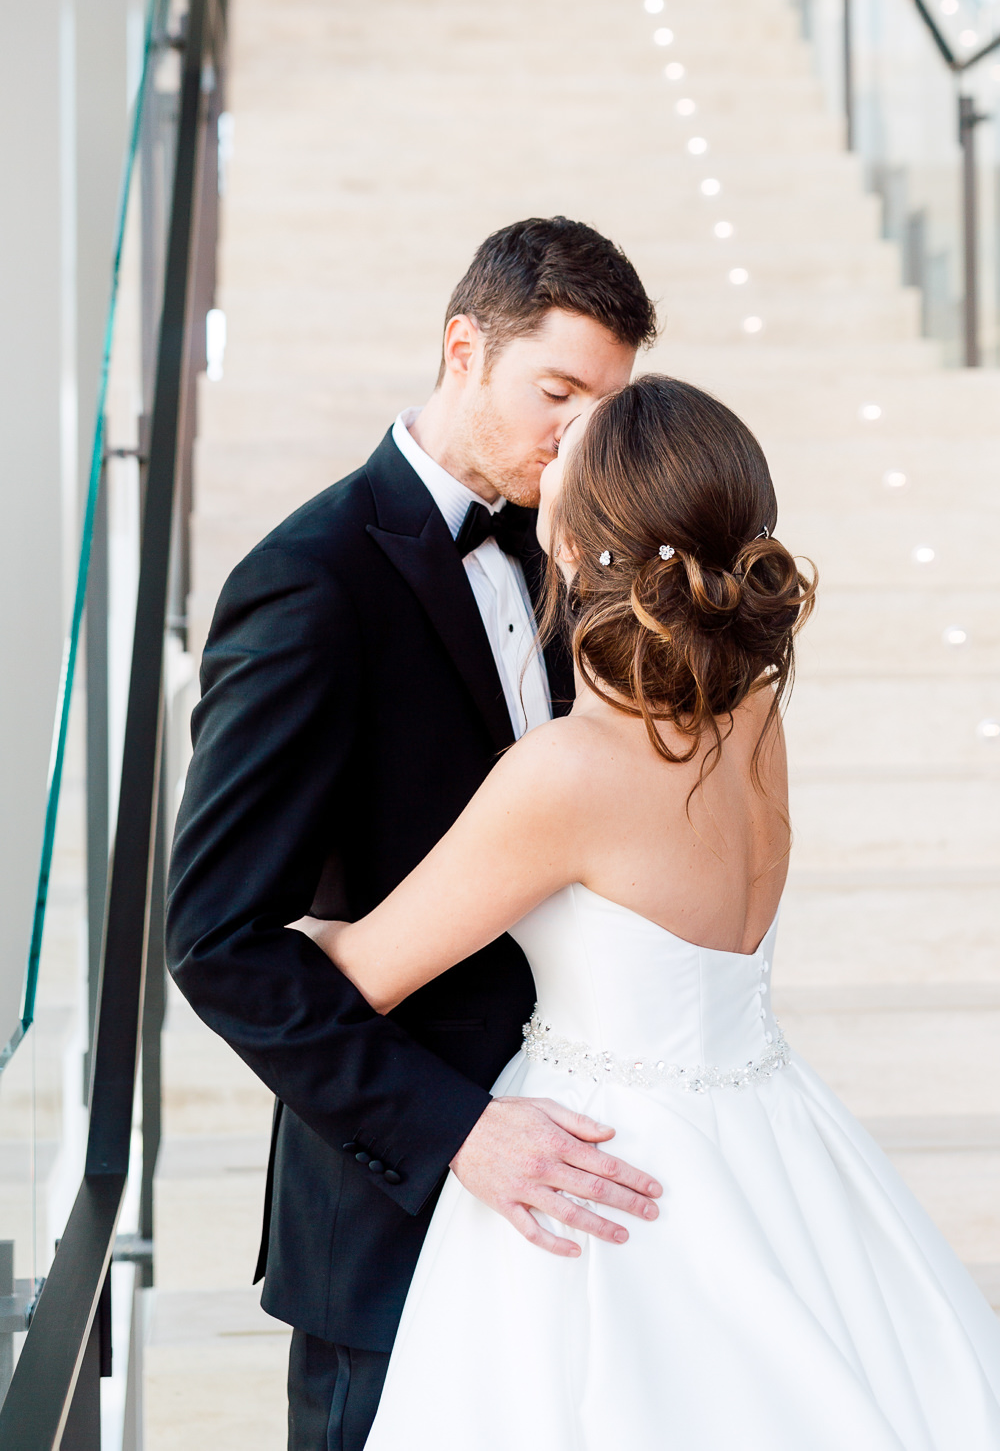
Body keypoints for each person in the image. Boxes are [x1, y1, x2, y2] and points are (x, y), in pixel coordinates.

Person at [295, 376, 1000, 1450]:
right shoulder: (756, 710)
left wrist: (288, 918)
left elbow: (361, 973)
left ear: (567, 551)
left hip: (605, 1172)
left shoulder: (566, 772)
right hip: (774, 1136)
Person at [165, 216, 661, 1451]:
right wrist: (457, 1132)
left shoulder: (572, 550)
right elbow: (219, 940)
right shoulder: (310, 581)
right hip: (394, 1199)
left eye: (604, 405)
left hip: (575, 1162)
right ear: (461, 347)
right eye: (557, 391)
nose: (579, 436)